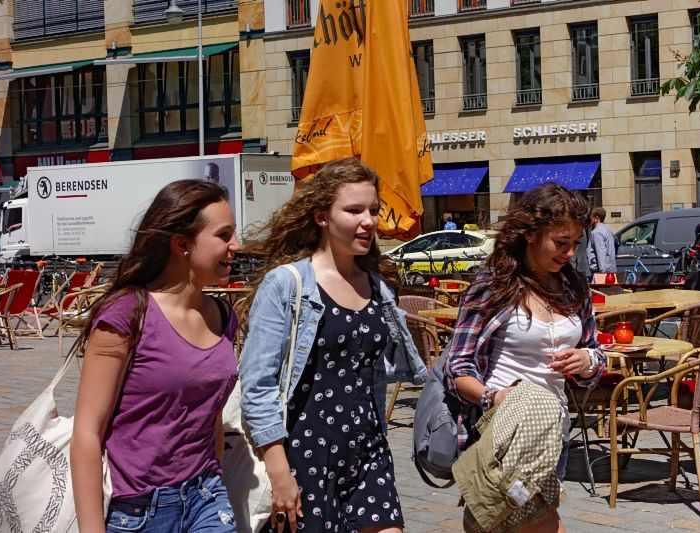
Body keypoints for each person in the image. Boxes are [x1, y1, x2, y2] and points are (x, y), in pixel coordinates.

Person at [239, 158, 426, 533]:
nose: (368, 221)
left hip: (368, 448)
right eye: (354, 210)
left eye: (373, 210)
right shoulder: (287, 285)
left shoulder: (378, 287)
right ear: (322, 217)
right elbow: (256, 385)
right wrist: (279, 472)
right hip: (305, 453)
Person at [70, 180, 241, 532]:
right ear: (182, 245)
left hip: (206, 495)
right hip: (138, 510)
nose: (235, 246)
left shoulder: (224, 316)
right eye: (224, 236)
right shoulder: (126, 314)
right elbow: (87, 431)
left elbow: (211, 413)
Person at [444, 183, 604, 533]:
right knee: (524, 523)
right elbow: (457, 367)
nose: (569, 252)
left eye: (576, 243)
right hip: (502, 432)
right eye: (561, 242)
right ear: (530, 233)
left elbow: (594, 353)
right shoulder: (492, 286)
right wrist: (493, 396)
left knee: (505, 524)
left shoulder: (575, 286)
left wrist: (587, 361)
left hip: (553, 432)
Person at [587, 206, 617, 275]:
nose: (590, 220)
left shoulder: (597, 232)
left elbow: (601, 253)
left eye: (591, 218)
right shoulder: (608, 230)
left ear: (596, 218)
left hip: (601, 271)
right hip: (611, 269)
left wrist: (602, 273)